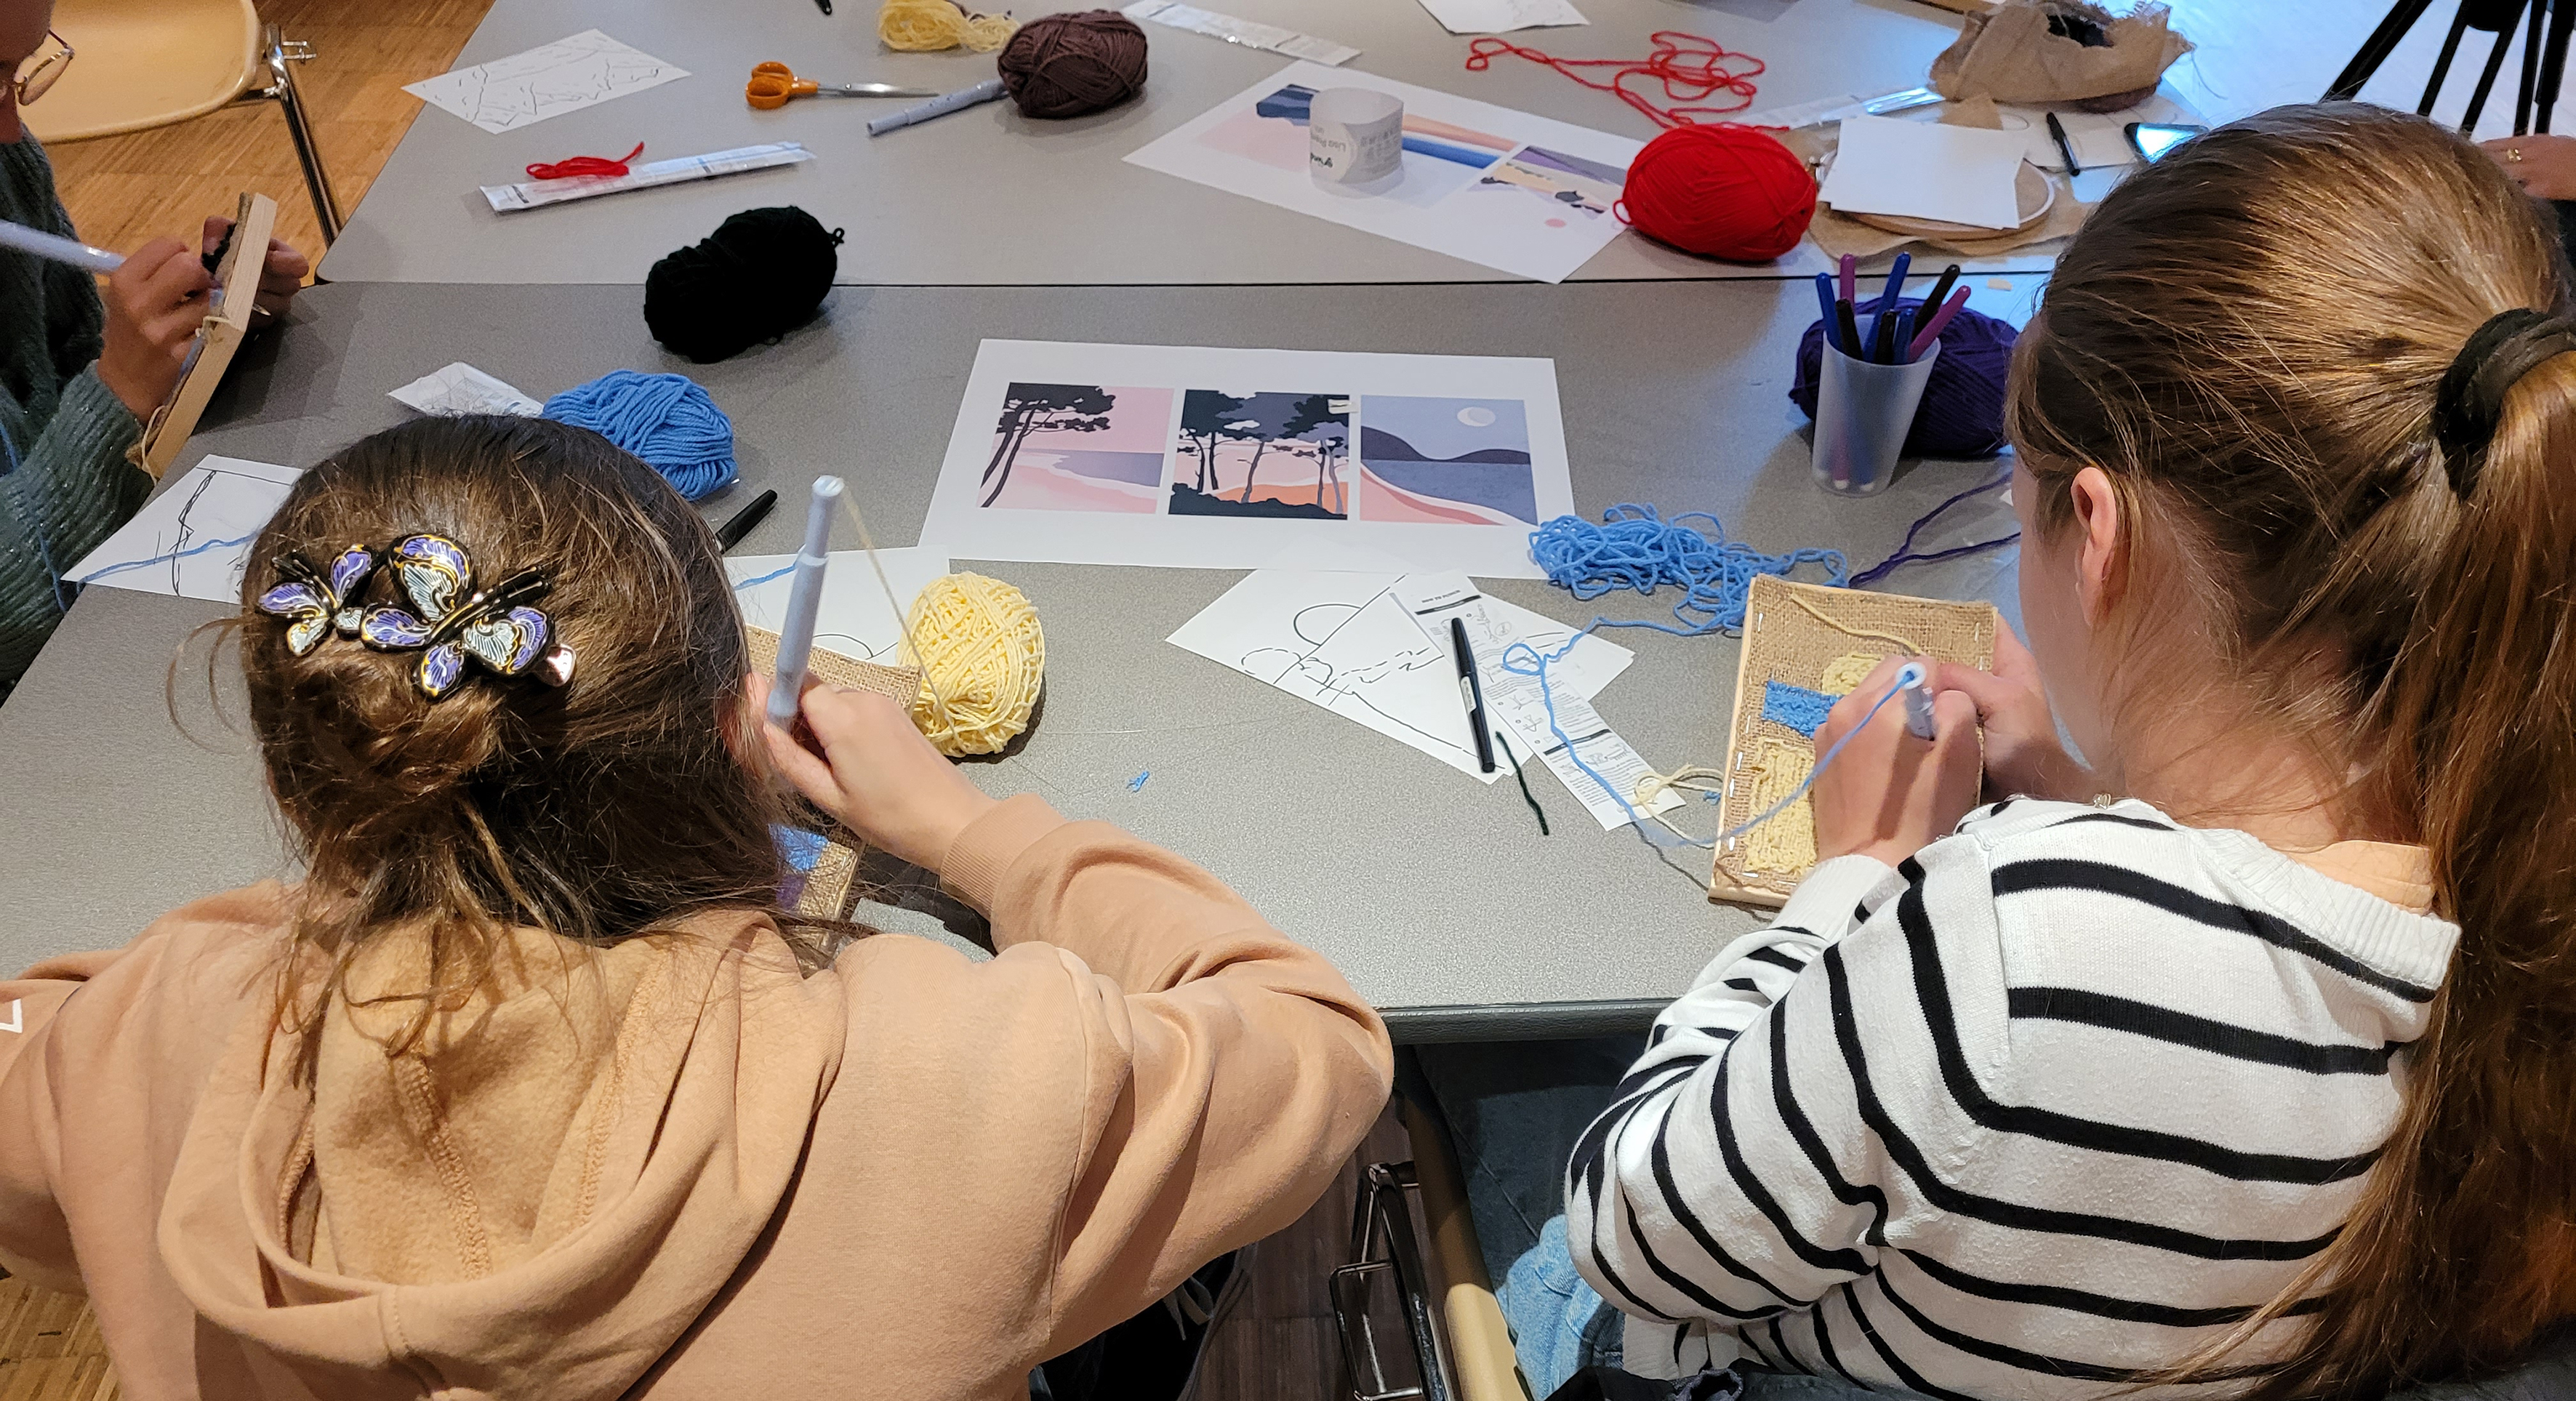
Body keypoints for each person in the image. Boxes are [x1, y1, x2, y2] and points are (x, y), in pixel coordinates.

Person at [1434, 104, 2576, 1401]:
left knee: (1481, 1065)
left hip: (1771, 1361)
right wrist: (2096, 790)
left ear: (2097, 536)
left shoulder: (2017, 939)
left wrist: (1858, 866)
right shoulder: (2520, 849)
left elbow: (1636, 1237)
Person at [0, 415, 1394, 1398]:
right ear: (735, 734)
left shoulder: (146, 1038)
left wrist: (323, 913)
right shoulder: (954, 1074)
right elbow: (1312, 1037)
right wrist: (975, 834)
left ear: (300, 779)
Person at [1, 0, 308, 697]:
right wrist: (119, 394)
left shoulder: (8, 165)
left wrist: (203, 332)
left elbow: (73, 359)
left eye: (19, 74)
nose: (13, 128)